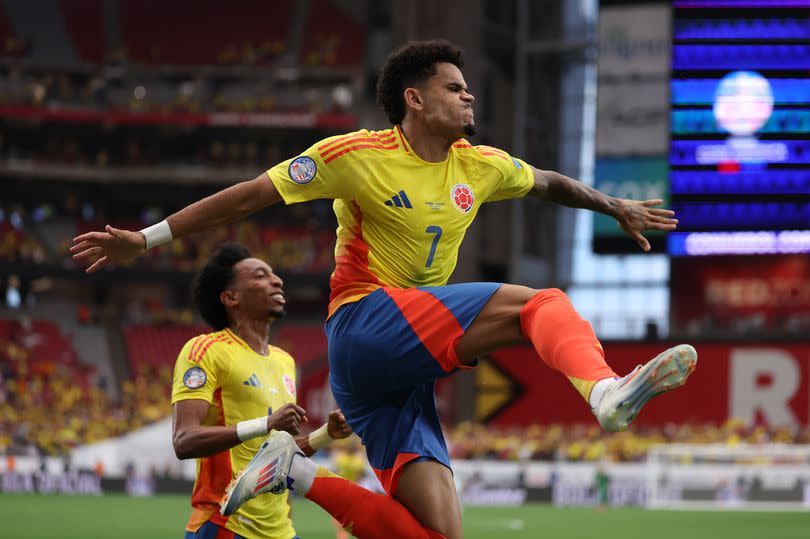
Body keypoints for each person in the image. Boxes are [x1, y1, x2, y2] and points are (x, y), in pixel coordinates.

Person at [72, 39, 697, 539]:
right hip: (364, 323)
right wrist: (146, 238)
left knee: (436, 535)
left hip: (395, 372)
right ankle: (606, 391)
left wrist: (613, 204)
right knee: (544, 302)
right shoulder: (353, 155)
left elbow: (551, 183)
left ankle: (297, 474)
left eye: (467, 86)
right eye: (454, 87)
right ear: (415, 100)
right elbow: (251, 195)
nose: (469, 94)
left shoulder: (480, 165)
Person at [170, 242, 353, 539]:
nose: (277, 280)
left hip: (281, 530)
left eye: (274, 275)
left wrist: (326, 434)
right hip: (225, 525)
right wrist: (266, 424)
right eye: (260, 276)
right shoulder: (206, 350)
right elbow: (184, 440)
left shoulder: (284, 361)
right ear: (231, 298)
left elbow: (280, 456)